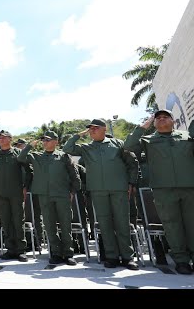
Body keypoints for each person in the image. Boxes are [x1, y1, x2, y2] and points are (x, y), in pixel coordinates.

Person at [63, 119, 139, 270]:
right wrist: (80, 134)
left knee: (122, 222)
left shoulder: (118, 144)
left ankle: (127, 257)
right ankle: (111, 256)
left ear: (104, 129)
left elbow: (132, 162)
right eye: (90, 129)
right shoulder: (86, 148)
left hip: (118, 189)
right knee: (105, 224)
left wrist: (131, 182)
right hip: (98, 190)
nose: (92, 131)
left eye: (95, 128)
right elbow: (67, 148)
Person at [124, 109, 194, 275]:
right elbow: (128, 146)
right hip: (163, 190)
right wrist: (144, 126)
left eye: (165, 117)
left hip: (189, 187)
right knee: (172, 225)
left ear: (173, 121)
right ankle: (181, 260)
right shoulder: (148, 140)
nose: (162, 120)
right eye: (158, 118)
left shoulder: (187, 137)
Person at [18, 131, 80, 265]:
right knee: (49, 225)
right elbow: (21, 158)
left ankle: (68, 253)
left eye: (47, 140)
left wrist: (73, 191)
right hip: (44, 195)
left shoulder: (63, 156)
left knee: (65, 224)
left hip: (62, 194)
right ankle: (56, 253)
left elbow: (74, 175)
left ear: (56, 141)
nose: (44, 142)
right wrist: (29, 146)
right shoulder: (36, 156)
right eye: (43, 140)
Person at [0, 130, 33, 262]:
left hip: (16, 193)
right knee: (6, 222)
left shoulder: (18, 153)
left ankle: (20, 250)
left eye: (3, 137)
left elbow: (29, 171)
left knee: (18, 221)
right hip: (1, 193)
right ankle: (10, 249)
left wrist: (25, 187)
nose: (1, 140)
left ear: (10, 139)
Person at [13, 137, 43, 251]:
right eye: (17, 145)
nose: (18, 147)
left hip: (32, 191)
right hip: (23, 191)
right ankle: (29, 241)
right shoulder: (19, 158)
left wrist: (25, 187)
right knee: (25, 217)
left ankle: (36, 242)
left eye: (20, 145)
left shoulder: (30, 157)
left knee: (35, 216)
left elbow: (29, 173)